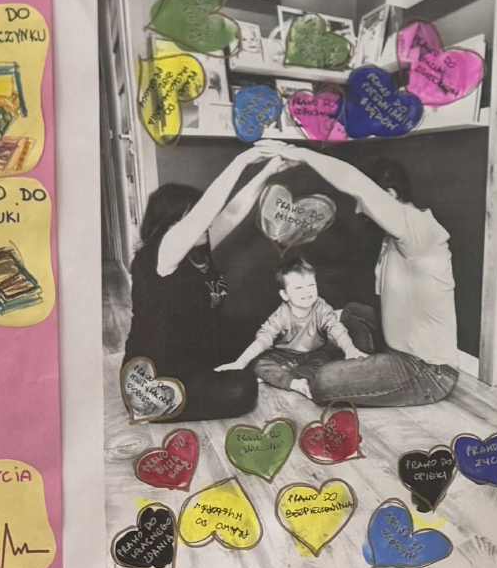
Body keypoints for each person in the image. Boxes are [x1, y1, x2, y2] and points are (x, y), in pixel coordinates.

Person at [168, 145, 458, 406]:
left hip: (426, 371)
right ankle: (354, 361)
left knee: (324, 382)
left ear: (390, 196)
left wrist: (303, 154)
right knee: (351, 313)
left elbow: (355, 182)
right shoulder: (393, 240)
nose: (358, 210)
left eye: (364, 204)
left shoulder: (420, 230)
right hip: (394, 348)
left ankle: (336, 368)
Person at [123, 181, 259, 421]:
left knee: (253, 333)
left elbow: (232, 213)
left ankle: (213, 375)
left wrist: (271, 167)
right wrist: (242, 162)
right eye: (195, 218)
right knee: (242, 389)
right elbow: (209, 211)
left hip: (189, 354)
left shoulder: (197, 251)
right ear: (169, 225)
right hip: (155, 380)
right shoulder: (160, 256)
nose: (207, 222)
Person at [216, 258, 375, 401]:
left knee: (324, 366)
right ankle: (292, 381)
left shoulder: (321, 308)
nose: (307, 292)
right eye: (299, 288)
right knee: (259, 364)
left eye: (311, 285)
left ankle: (288, 378)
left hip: (315, 353)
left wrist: (350, 349)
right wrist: (240, 362)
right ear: (285, 295)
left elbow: (336, 329)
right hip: (284, 354)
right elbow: (263, 340)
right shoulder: (281, 315)